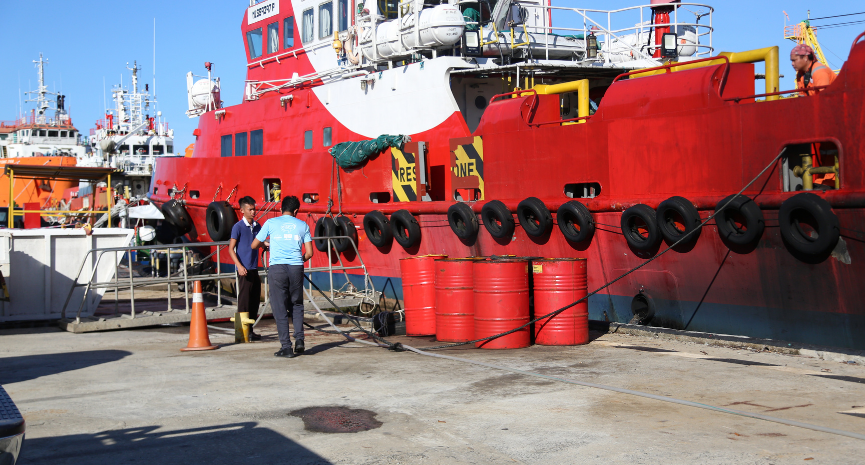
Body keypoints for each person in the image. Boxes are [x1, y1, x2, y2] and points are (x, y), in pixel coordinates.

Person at [251, 196, 313, 358]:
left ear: (281, 209)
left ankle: (286, 347)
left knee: (280, 308)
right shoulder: (303, 225)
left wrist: (265, 244)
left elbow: (254, 245)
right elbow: (310, 253)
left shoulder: (271, 223)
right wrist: (299, 261)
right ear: (296, 211)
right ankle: (299, 340)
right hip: (296, 268)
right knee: (297, 304)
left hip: (277, 269)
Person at [228, 196, 263, 341]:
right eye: (250, 209)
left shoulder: (257, 226)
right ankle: (240, 333)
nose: (253, 211)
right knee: (243, 301)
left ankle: (250, 330)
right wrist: (239, 266)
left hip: (254, 268)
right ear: (242, 210)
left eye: (254, 208)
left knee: (254, 300)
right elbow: (231, 249)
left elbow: (258, 243)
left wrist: (265, 244)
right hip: (244, 269)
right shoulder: (238, 227)